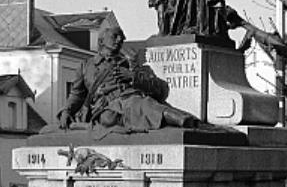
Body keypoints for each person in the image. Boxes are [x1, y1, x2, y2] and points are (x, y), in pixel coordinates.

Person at [57, 24, 198, 133]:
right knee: (128, 110)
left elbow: (162, 90)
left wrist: (133, 77)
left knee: (147, 105)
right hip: (108, 108)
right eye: (115, 36)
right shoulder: (86, 66)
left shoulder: (131, 63)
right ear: (101, 41)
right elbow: (76, 95)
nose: (120, 40)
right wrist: (66, 111)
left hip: (134, 101)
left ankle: (188, 122)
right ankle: (182, 122)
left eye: (122, 37)